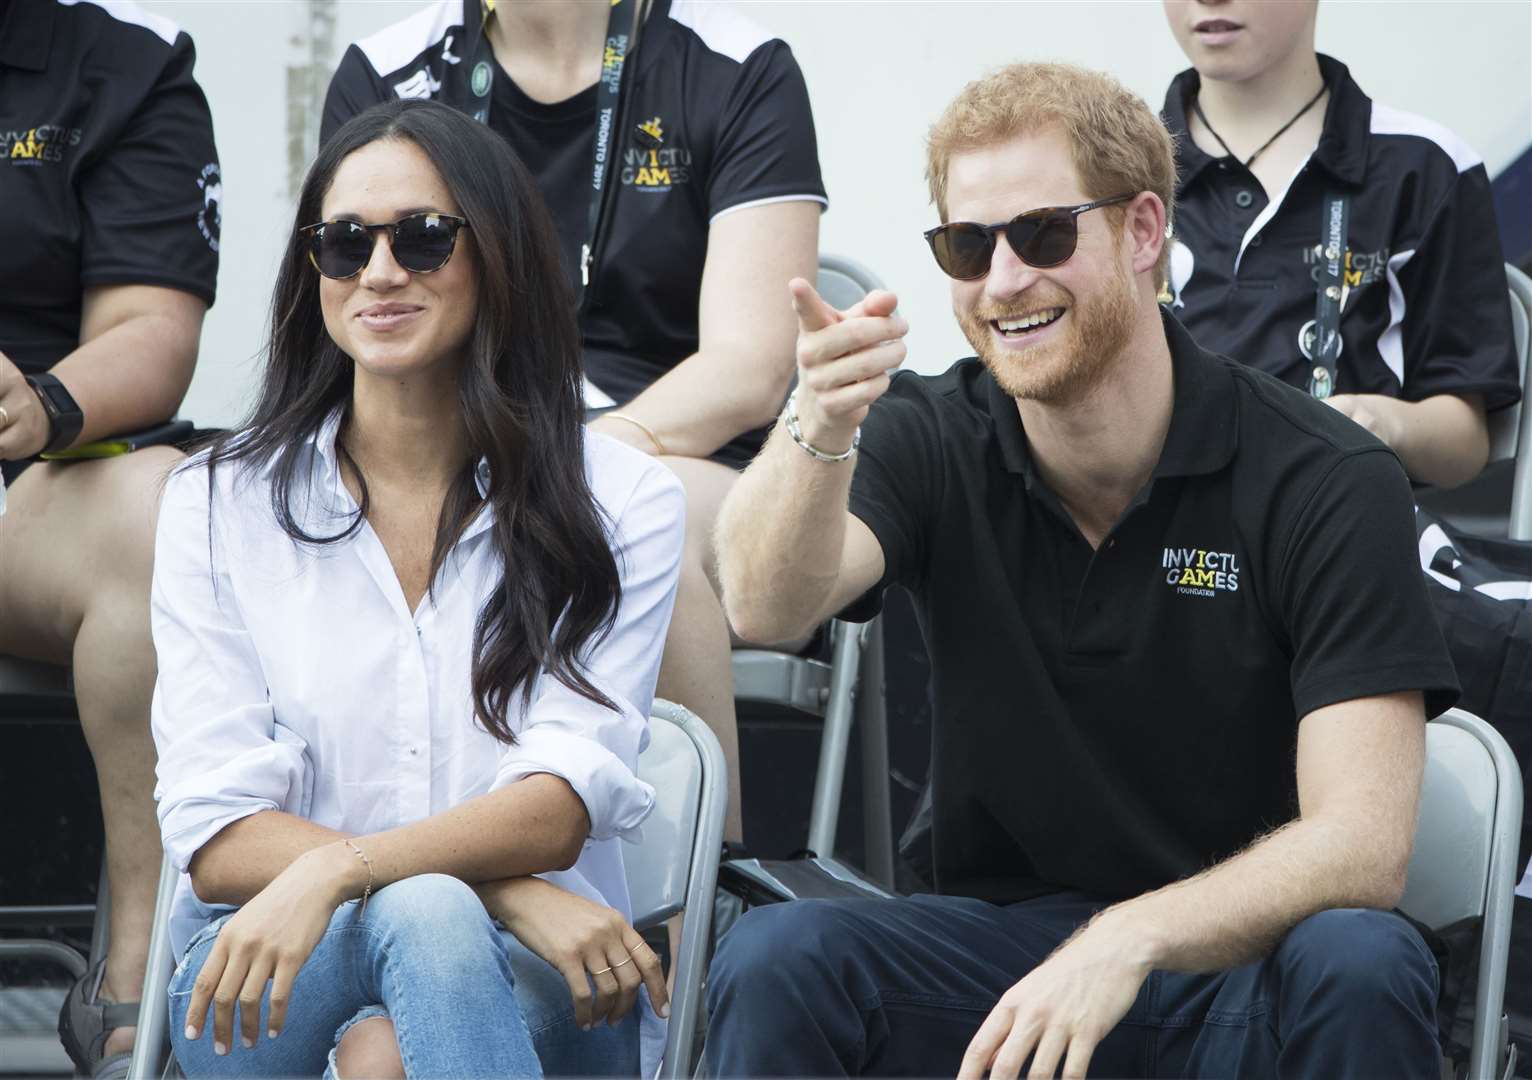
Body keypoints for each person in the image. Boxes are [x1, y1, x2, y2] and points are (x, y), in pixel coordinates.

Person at [706, 62, 1458, 1079]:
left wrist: (1126, 938)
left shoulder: (1324, 476)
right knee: (777, 957)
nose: (1003, 279)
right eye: (967, 246)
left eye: (1043, 234)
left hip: (1240, 965)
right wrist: (816, 422)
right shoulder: (933, 431)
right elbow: (758, 601)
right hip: (999, 965)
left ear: (1143, 231)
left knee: (1362, 958)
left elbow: (1361, 846)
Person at [151, 99, 683, 1078]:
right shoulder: (215, 502)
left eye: (425, 238)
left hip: (545, 985)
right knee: (428, 910)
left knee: (389, 1045)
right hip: (267, 977)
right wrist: (507, 889)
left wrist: (347, 870)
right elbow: (217, 833)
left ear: (499, 255)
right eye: (344, 244)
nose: (381, 272)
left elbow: (556, 804)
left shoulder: (622, 499)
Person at [322, 0, 827, 843]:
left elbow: (748, 368)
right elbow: (352, 304)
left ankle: (693, 928)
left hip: (673, 445)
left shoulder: (737, 65)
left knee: (626, 508)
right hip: (445, 435)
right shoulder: (390, 69)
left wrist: (561, 459)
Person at [0, 2, 219, 1074]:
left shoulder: (120, 56)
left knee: (157, 508)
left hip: (31, 481)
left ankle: (136, 976)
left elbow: (151, 331)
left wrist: (41, 401)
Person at [1160, 0, 1519, 489]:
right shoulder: (1108, 171)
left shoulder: (1426, 166)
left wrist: (1379, 422)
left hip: (1340, 529)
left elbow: (1466, 441)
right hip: (1152, 536)